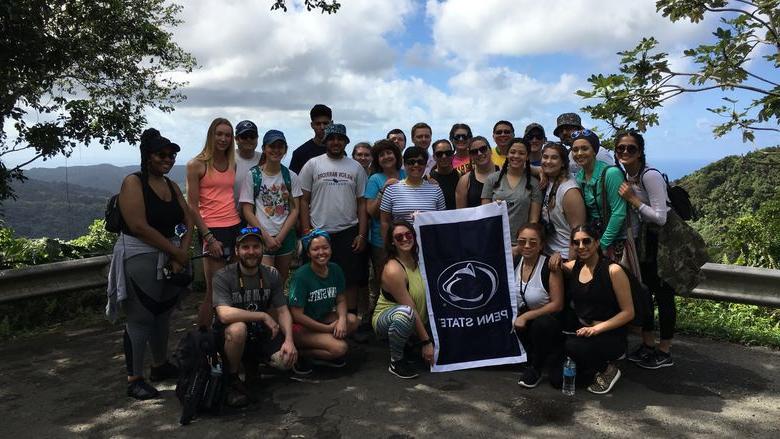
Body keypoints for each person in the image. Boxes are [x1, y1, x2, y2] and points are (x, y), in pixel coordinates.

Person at [109, 128, 193, 400]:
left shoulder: (170, 185)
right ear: (148, 156)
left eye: (171, 155)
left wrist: (182, 250)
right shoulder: (133, 183)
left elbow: (188, 217)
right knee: (141, 316)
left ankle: (160, 364)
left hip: (169, 254)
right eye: (162, 154)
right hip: (140, 255)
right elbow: (138, 226)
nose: (168, 159)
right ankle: (134, 378)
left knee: (162, 314)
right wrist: (176, 252)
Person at [212, 228, 297, 407]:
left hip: (259, 333)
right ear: (237, 250)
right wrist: (262, 315)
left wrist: (289, 340)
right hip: (230, 334)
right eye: (245, 247)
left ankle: (254, 364)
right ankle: (232, 380)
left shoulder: (271, 274)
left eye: (256, 246)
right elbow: (224, 314)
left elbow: (282, 310)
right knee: (238, 329)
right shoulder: (223, 276)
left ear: (262, 248)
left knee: (286, 362)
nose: (251, 252)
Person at [614, 131, 676, 369]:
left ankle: (664, 349)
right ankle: (648, 344)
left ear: (640, 151)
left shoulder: (650, 176)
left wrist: (633, 199)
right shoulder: (628, 174)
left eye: (631, 148)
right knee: (644, 294)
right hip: (643, 243)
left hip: (661, 243)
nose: (625, 152)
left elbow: (660, 218)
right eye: (621, 148)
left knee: (663, 296)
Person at [298, 123, 368, 317]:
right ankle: (316, 316)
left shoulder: (355, 167)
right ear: (325, 141)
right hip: (318, 230)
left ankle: (350, 316)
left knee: (350, 277)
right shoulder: (313, 164)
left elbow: (362, 203)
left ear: (345, 142)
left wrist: (362, 234)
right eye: (332, 138)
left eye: (340, 139)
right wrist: (305, 230)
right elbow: (303, 200)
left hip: (348, 230)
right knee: (315, 274)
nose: (336, 142)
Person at [561, 224, 635, 395]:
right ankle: (589, 368)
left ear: (596, 242)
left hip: (609, 334)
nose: (581, 247)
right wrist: (556, 259)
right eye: (576, 243)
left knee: (573, 346)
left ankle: (608, 370)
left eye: (586, 241)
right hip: (584, 332)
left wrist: (596, 329)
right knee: (558, 380)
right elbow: (560, 266)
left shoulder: (613, 270)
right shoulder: (575, 266)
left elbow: (628, 312)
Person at [187, 118, 242, 327]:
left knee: (234, 287)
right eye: (219, 134)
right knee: (214, 291)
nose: (223, 139)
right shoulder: (196, 164)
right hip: (212, 228)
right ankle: (202, 340)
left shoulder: (231, 163)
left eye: (228, 135)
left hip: (234, 226)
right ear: (211, 135)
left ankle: (227, 337)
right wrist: (209, 238)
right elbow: (192, 205)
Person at [288, 230, 360, 369]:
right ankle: (300, 354)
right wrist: (326, 329)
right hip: (301, 327)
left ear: (331, 249)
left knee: (352, 320)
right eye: (315, 249)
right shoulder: (301, 276)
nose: (321, 252)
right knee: (340, 348)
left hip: (322, 317)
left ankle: (325, 344)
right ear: (308, 254)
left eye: (325, 248)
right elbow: (297, 315)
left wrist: (342, 321)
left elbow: (340, 299)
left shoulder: (335, 269)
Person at [239, 129, 302, 288]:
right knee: (265, 282)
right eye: (271, 146)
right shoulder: (253, 175)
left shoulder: (291, 176)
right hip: (261, 236)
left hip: (285, 236)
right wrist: (266, 236)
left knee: (280, 281)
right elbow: (247, 210)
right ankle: (265, 313)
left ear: (285, 149)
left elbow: (295, 209)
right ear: (264, 148)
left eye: (280, 146)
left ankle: (278, 312)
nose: (276, 150)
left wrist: (280, 238)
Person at [373, 221, 433, 379]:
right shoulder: (393, 269)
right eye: (399, 237)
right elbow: (410, 307)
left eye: (408, 234)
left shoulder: (419, 259)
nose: (405, 239)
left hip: (418, 319)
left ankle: (410, 344)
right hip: (388, 318)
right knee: (406, 313)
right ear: (392, 242)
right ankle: (396, 361)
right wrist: (426, 343)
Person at [513, 224, 564, 388]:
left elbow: (557, 304)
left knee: (543, 324)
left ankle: (536, 368)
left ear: (542, 245)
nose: (527, 246)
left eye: (533, 242)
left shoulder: (550, 266)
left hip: (542, 325)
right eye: (522, 242)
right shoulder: (512, 261)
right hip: (518, 324)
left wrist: (526, 316)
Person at [365, 140, 406, 332]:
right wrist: (384, 190)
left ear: (397, 156)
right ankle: (386, 324)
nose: (387, 157)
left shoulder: (407, 174)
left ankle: (407, 318)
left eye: (390, 153)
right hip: (381, 241)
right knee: (385, 282)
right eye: (382, 155)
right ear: (377, 160)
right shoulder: (374, 179)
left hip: (407, 240)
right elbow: (371, 211)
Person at [571, 129, 627, 261]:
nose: (579, 153)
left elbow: (619, 212)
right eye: (575, 149)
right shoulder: (579, 177)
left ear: (595, 151)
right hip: (594, 240)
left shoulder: (611, 174)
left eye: (585, 148)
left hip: (615, 241)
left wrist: (602, 244)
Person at [481, 138, 542, 252]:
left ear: (527, 157)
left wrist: (520, 246)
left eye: (521, 153)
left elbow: (533, 221)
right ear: (507, 154)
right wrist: (494, 208)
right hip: (494, 242)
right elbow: (485, 215)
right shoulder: (492, 179)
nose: (516, 156)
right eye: (513, 152)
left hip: (522, 246)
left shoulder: (534, 183)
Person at [380, 146, 445, 239]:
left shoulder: (436, 190)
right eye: (411, 162)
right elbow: (384, 222)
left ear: (426, 164)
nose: (416, 165)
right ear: (404, 164)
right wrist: (388, 246)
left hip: (430, 242)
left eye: (420, 162)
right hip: (401, 243)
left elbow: (441, 220)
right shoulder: (391, 190)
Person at [540, 141, 586, 266]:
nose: (548, 161)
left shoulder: (569, 191)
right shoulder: (549, 180)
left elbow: (578, 231)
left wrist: (571, 264)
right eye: (545, 157)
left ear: (563, 163)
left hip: (565, 256)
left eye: (554, 158)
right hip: (549, 253)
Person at [552, 112, 613, 177]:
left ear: (580, 130)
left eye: (568, 128)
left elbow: (610, 178)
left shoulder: (599, 152)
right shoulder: (568, 155)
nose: (564, 133)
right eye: (561, 131)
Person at [455, 136, 498, 209]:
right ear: (470, 156)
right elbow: (461, 213)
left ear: (490, 150)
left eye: (483, 149)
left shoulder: (504, 173)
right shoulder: (465, 181)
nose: (479, 153)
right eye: (474, 152)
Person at [289, 104, 332, 174]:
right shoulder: (300, 153)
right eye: (318, 124)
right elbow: (293, 182)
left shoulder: (338, 152)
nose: (322, 127)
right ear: (312, 125)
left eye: (325, 123)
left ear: (331, 123)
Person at [233, 120, 262, 206]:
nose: (248, 139)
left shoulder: (264, 159)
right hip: (231, 215)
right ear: (236, 139)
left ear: (257, 138)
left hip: (258, 215)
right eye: (244, 137)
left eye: (252, 136)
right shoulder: (228, 159)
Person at [429, 139, 460, 210]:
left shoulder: (461, 177)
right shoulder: (428, 179)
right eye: (439, 154)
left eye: (448, 153)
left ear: (452, 155)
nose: (444, 156)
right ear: (434, 156)